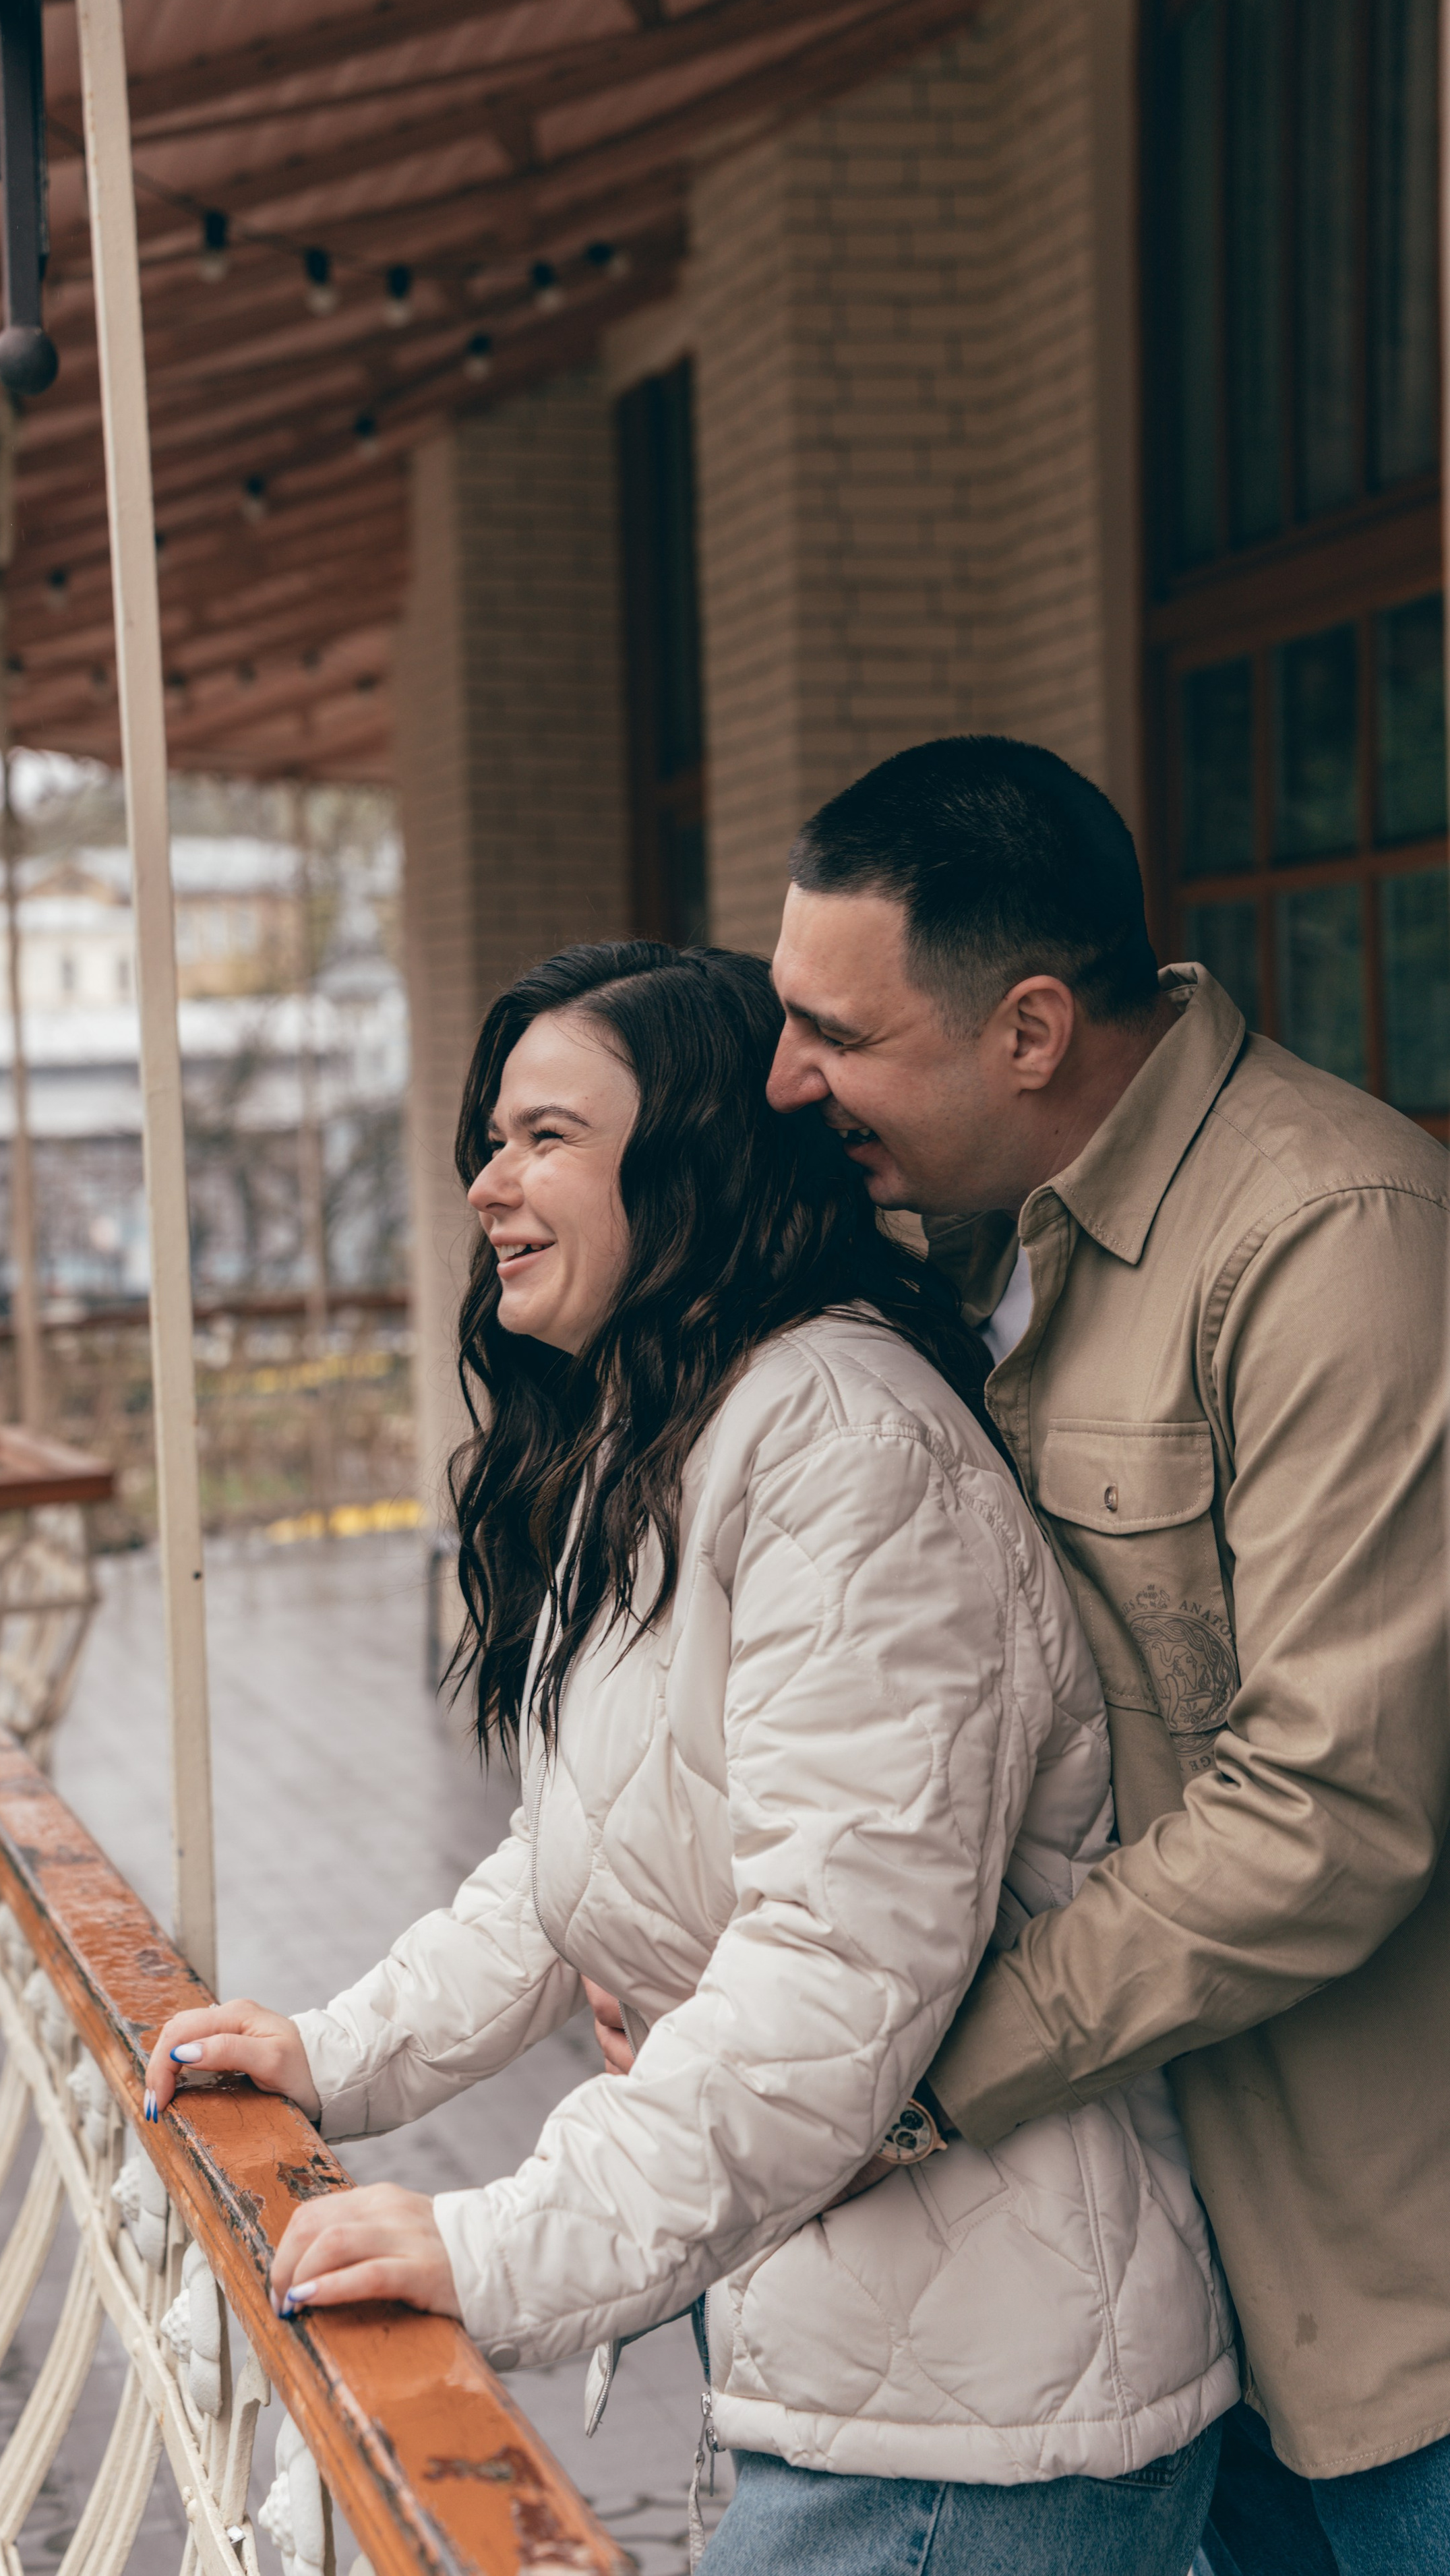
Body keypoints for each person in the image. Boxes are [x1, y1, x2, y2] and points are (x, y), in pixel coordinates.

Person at [147, 940, 1236, 2575]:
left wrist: (497, 2244)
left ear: (700, 1163)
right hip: (858, 2344)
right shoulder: (663, 1428)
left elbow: (834, 1969)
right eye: (491, 1141)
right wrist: (336, 2054)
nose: (488, 1188)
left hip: (980, 2428)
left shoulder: (843, 1450)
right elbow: (574, 1852)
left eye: (546, 1139)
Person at [760, 735, 1450, 2576]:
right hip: (1164, 2282)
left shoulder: (1334, 1238)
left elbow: (1334, 1808)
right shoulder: (964, 1244)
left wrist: (907, 2070)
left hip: (1395, 2318)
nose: (785, 1078)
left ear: (1035, 1030)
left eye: (837, 1032)